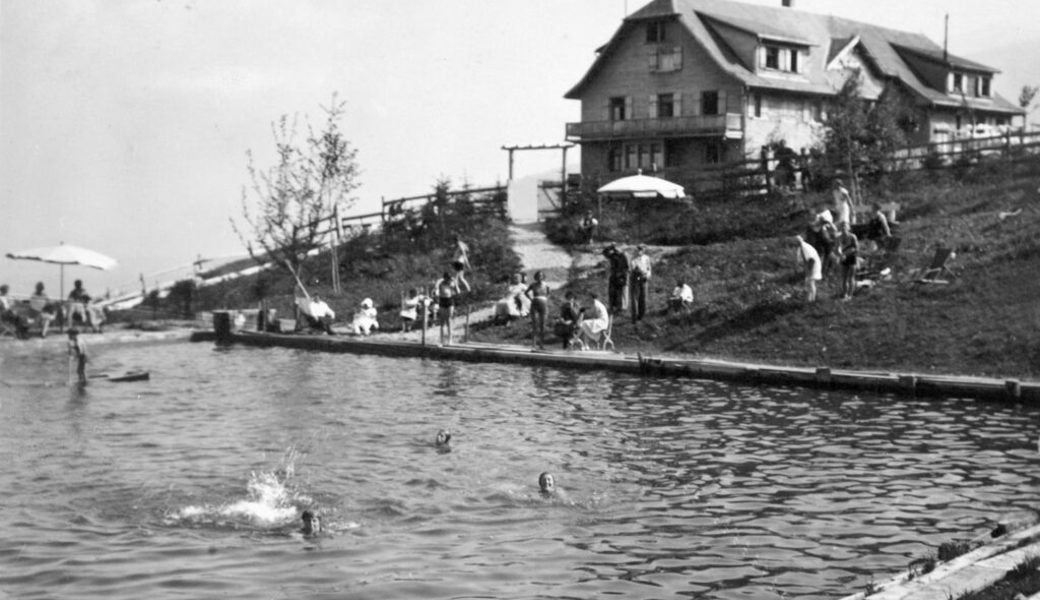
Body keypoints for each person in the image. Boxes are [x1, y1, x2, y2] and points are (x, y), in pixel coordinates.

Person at [523, 271, 550, 349]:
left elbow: (549, 293)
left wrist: (546, 299)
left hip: (543, 304)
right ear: (536, 277)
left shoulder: (546, 285)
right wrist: (531, 299)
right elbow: (526, 292)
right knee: (535, 325)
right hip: (535, 304)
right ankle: (533, 344)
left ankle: (541, 344)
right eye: (538, 276)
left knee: (543, 325)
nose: (539, 277)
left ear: (543, 277)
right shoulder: (533, 285)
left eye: (541, 276)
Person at [794, 235, 822, 302]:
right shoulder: (801, 247)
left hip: (813, 265)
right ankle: (809, 299)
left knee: (811, 282)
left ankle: (812, 299)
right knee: (809, 282)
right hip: (809, 265)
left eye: (796, 241)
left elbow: (811, 260)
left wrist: (809, 271)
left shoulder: (805, 247)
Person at [603, 245, 630, 315]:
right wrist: (611, 247)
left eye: (617, 250)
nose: (616, 251)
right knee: (613, 292)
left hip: (621, 276)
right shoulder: (613, 256)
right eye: (615, 250)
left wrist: (622, 276)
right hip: (614, 276)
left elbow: (626, 268)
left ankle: (621, 308)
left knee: (620, 293)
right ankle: (614, 307)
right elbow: (605, 252)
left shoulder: (623, 257)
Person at [836, 222, 860, 301]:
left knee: (851, 277)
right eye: (842, 228)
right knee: (844, 278)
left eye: (845, 227)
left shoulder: (852, 236)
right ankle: (845, 294)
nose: (843, 229)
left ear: (848, 228)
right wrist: (841, 255)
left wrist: (846, 254)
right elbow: (837, 249)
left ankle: (850, 295)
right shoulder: (838, 237)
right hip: (843, 258)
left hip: (851, 257)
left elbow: (856, 248)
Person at [437, 272, 461, 346]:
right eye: (447, 279)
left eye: (449, 279)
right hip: (442, 301)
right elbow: (437, 290)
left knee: (449, 320)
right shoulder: (440, 283)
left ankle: (450, 340)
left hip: (449, 301)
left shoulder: (451, 284)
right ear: (445, 278)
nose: (449, 280)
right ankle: (441, 340)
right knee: (442, 322)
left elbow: (458, 292)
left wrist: (455, 284)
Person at [630, 245, 652, 323]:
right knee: (634, 298)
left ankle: (641, 315)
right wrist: (638, 271)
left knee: (643, 297)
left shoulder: (646, 258)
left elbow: (649, 269)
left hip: (644, 278)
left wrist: (647, 276)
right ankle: (634, 316)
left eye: (642, 250)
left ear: (644, 250)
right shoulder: (633, 259)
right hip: (636, 278)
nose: (640, 251)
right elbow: (633, 268)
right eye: (639, 250)